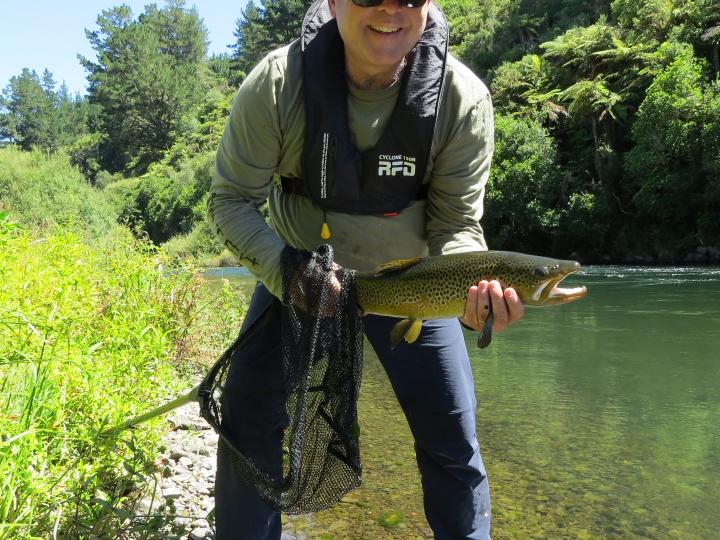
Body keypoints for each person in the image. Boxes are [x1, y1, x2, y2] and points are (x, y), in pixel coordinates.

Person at [208, 0, 525, 537]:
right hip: (298, 276)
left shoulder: (461, 98)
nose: (389, 10)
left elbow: (456, 226)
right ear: (333, 4)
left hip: (412, 287)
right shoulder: (279, 83)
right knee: (247, 416)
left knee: (453, 435)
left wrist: (470, 291)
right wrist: (287, 272)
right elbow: (232, 200)